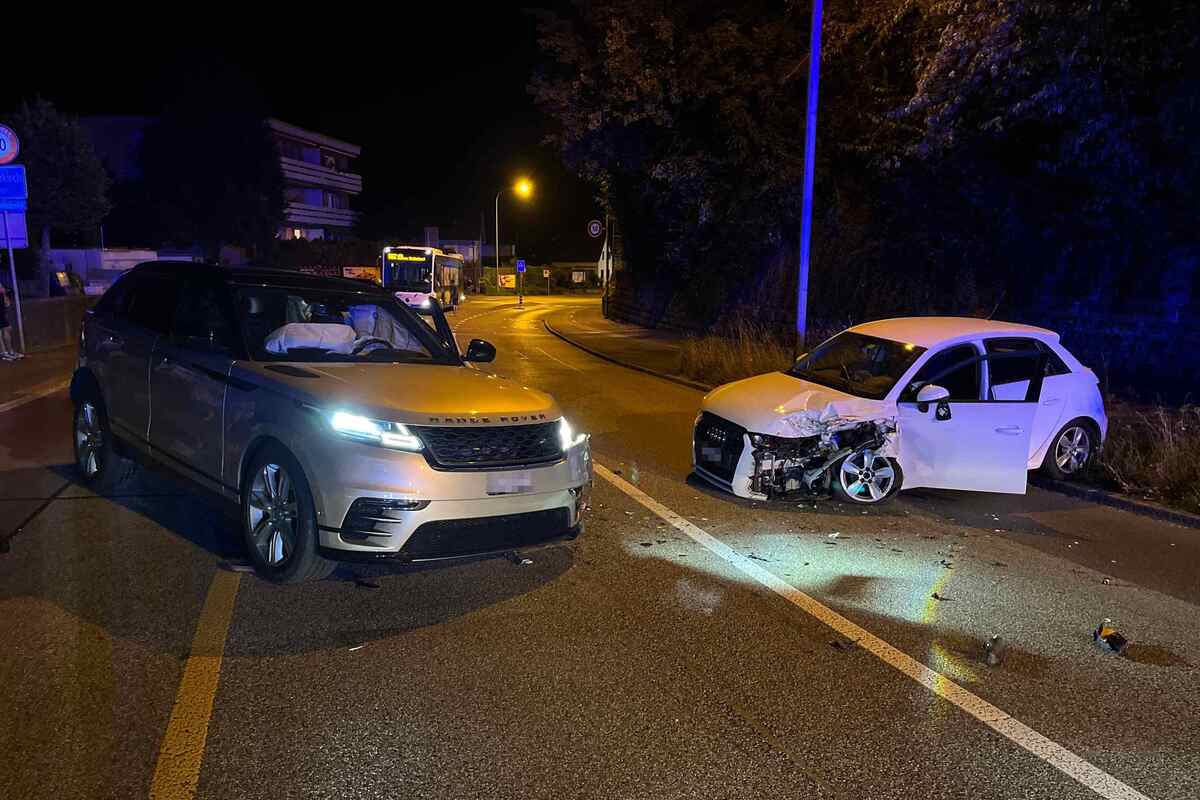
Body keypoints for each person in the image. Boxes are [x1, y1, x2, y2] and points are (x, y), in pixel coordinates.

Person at [0, 283, 21, 360]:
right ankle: (4, 352)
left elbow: (7, 304)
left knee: (7, 329)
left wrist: (4, 293)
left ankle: (9, 351)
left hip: (2, 313)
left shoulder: (2, 292)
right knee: (3, 331)